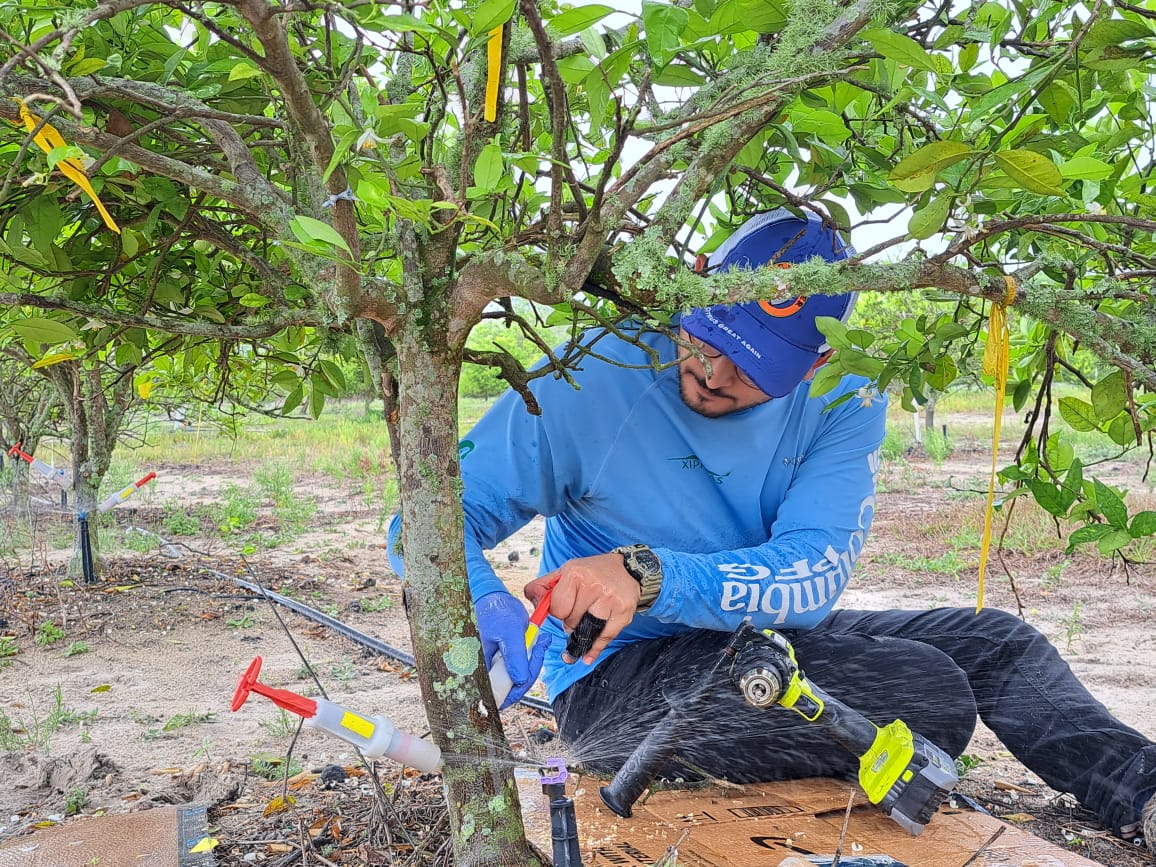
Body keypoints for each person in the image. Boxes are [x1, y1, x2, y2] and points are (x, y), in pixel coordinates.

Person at [389, 209, 1156, 850]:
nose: (714, 372)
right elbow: (420, 522)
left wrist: (649, 574)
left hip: (754, 638)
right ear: (690, 283)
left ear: (817, 361)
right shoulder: (595, 375)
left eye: (754, 365)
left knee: (996, 643)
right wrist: (485, 603)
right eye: (708, 335)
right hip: (617, 683)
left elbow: (815, 571)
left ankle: (1142, 790)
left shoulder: (844, 393)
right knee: (930, 693)